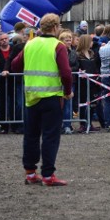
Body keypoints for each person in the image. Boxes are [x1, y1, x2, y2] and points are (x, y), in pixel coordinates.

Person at [10, 13, 73, 186]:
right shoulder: (58, 45)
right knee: (50, 136)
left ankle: (30, 173)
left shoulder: (30, 44)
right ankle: (47, 175)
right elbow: (66, 73)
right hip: (52, 97)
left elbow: (15, 65)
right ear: (54, 27)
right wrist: (68, 91)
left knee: (30, 135)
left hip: (31, 97)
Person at [75, 34, 103, 133]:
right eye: (90, 41)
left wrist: (98, 77)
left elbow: (96, 66)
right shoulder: (77, 55)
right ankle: (83, 124)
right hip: (83, 83)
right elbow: (76, 67)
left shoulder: (92, 53)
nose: (92, 43)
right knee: (83, 104)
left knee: (93, 104)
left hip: (93, 82)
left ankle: (90, 123)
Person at [58, 30, 78, 135]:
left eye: (70, 40)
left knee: (68, 104)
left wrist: (67, 69)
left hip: (71, 80)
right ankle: (59, 124)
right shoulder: (57, 51)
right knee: (58, 104)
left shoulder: (74, 52)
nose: (69, 42)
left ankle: (67, 125)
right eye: (67, 40)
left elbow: (76, 65)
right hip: (58, 81)